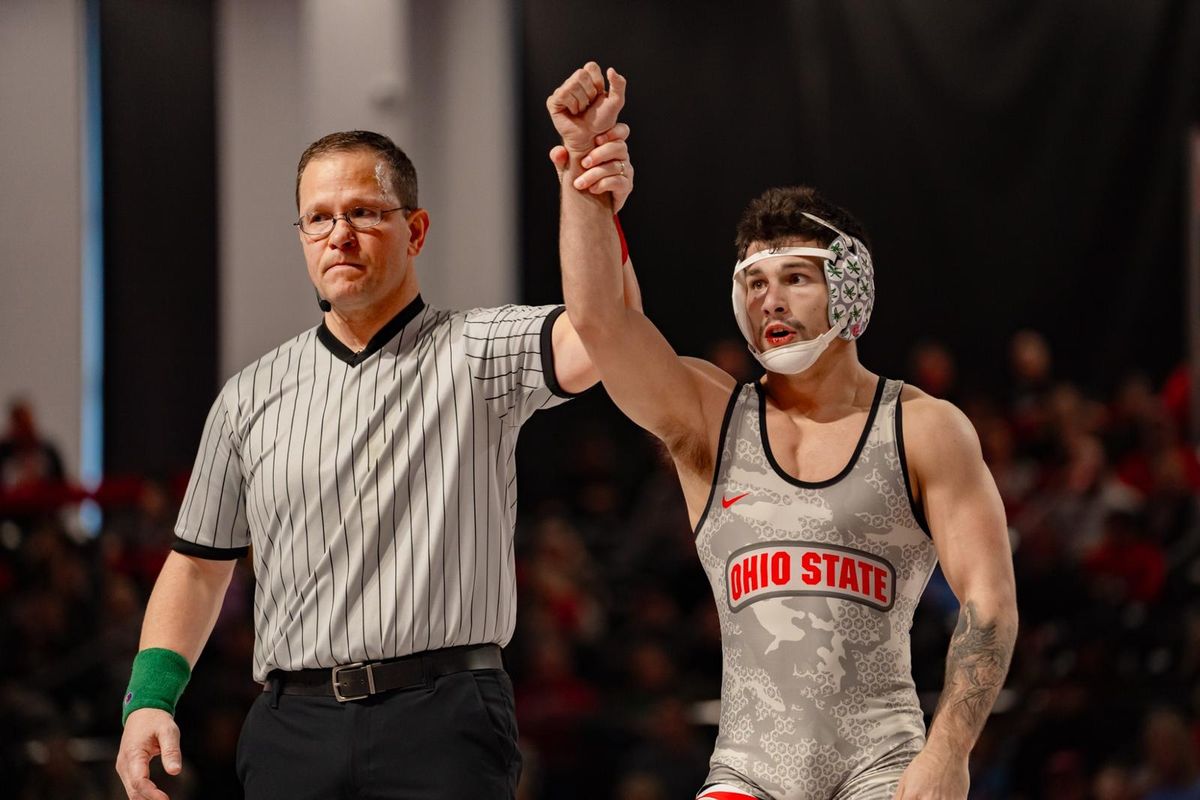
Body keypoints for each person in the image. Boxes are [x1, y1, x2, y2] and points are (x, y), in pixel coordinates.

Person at [114, 118, 638, 800]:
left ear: (416, 231)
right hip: (292, 726)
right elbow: (196, 568)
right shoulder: (248, 396)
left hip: (444, 719)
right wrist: (148, 698)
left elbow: (612, 332)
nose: (339, 233)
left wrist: (591, 200)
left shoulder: (478, 351)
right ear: (302, 237)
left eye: (363, 211)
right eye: (319, 218)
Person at [548, 63, 1019, 800]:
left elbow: (989, 603)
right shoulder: (711, 417)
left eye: (796, 278)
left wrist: (948, 752)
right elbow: (603, 325)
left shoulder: (924, 429)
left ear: (850, 287)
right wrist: (582, 174)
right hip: (748, 770)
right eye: (755, 283)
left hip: (884, 768)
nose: (772, 299)